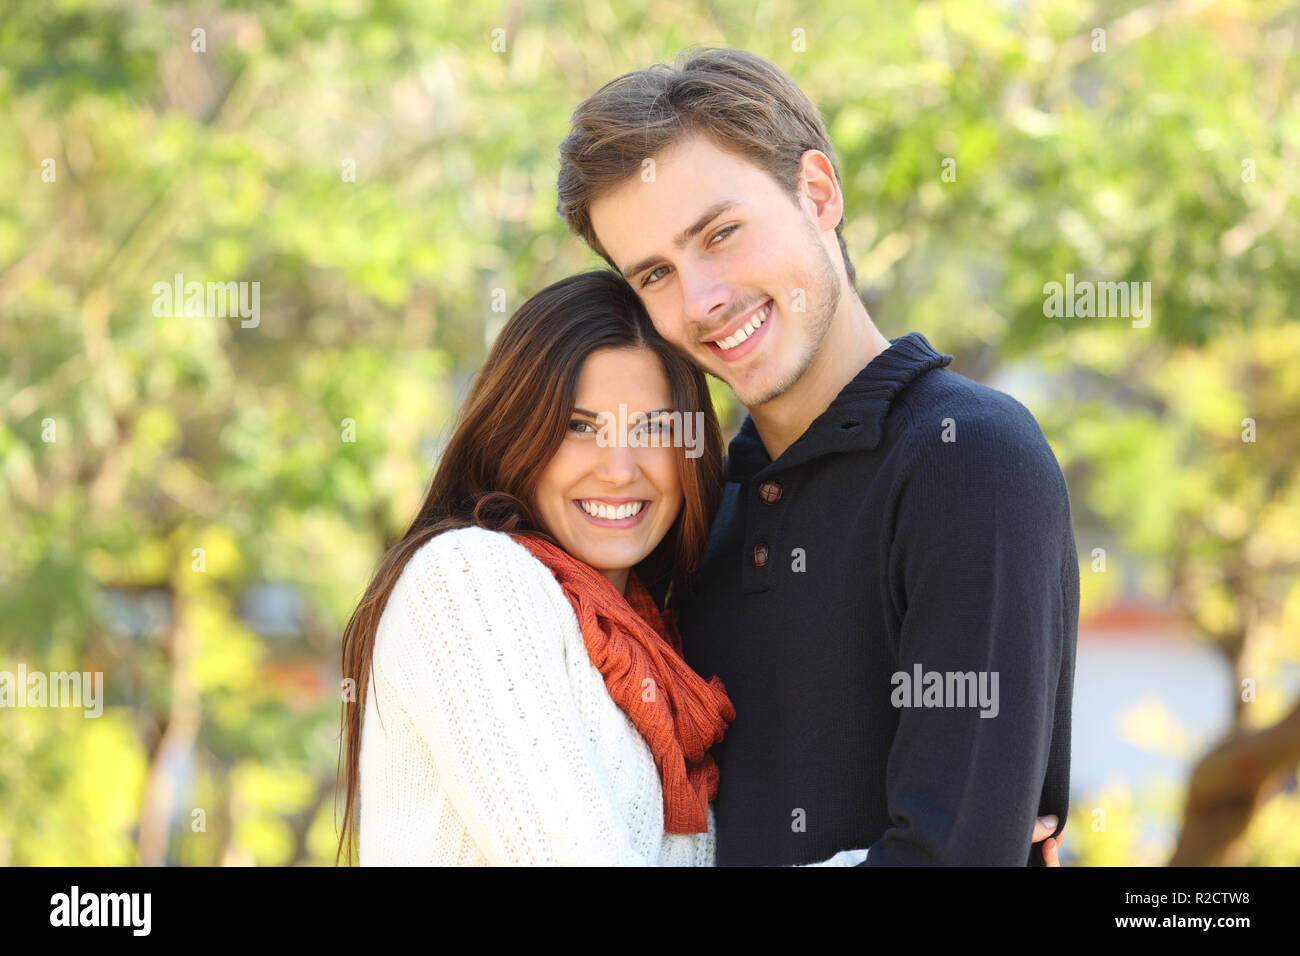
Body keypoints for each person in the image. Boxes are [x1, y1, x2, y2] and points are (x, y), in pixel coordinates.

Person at [334, 269, 1064, 866]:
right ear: (513, 436)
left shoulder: (660, 648)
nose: (619, 470)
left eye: (653, 428)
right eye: (579, 427)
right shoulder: (469, 582)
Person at [556, 46, 1077, 865]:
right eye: (655, 273)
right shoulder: (687, 513)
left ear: (819, 193)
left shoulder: (969, 462)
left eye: (721, 233)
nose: (701, 301)